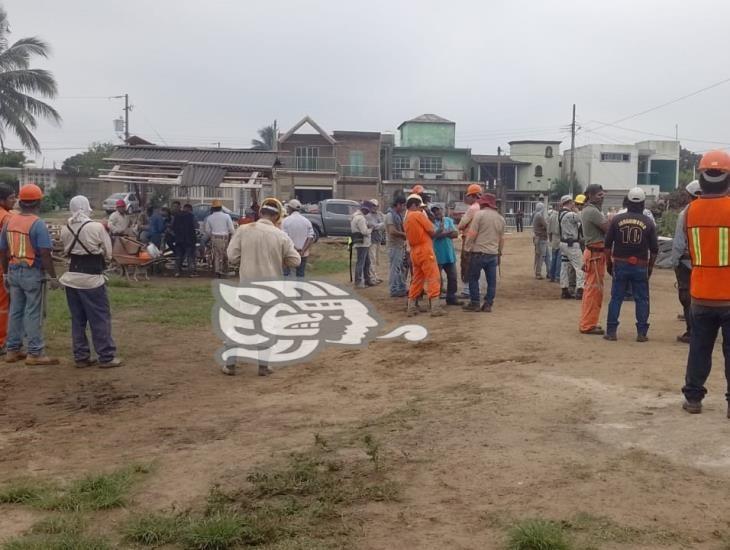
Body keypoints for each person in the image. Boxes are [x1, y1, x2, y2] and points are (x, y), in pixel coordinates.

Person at [225, 198, 300, 377]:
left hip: (247, 288)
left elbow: (232, 257)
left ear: (260, 214)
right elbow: (295, 260)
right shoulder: (280, 235)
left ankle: (230, 365)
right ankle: (263, 366)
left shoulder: (243, 231)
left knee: (239, 325)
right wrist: (280, 260)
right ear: (277, 216)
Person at [680, 151, 730, 415]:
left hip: (700, 293)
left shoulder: (690, 212)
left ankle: (693, 398)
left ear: (701, 177)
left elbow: (686, 248)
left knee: (699, 349)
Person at [0, 184, 59, 365]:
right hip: (32, 271)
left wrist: (5, 274)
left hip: (13, 269)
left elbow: (3, 250)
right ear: (38, 201)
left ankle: (12, 350)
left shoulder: (10, 221)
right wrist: (53, 276)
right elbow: (45, 253)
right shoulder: (37, 224)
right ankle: (35, 352)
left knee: (16, 311)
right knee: (34, 312)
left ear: (21, 201)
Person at [59, 195, 121, 368]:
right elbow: (108, 253)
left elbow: (66, 252)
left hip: (71, 278)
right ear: (87, 207)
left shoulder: (65, 228)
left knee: (78, 319)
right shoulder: (96, 227)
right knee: (100, 318)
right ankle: (106, 356)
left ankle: (81, 356)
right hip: (92, 279)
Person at [603, 188, 658, 342]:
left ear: (627, 201)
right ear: (642, 203)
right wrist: (650, 267)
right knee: (642, 299)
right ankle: (641, 333)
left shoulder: (616, 220)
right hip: (640, 265)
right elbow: (654, 250)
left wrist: (609, 263)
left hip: (620, 263)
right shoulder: (648, 223)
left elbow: (607, 246)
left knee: (616, 298)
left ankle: (611, 331)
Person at [670, 180, 702, 344]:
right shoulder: (715, 211)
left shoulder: (686, 214)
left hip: (686, 262)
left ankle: (692, 331)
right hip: (708, 264)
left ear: (690, 196)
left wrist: (675, 261)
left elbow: (679, 242)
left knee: (687, 296)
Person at [463, 193, 505, 313]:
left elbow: (472, 233)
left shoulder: (479, 215)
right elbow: (501, 239)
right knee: (491, 281)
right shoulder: (500, 218)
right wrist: (499, 253)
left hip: (478, 253)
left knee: (473, 278)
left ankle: (475, 303)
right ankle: (488, 304)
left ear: (485, 203)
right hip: (493, 254)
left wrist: (467, 248)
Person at [404, 194, 443, 317]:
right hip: (425, 250)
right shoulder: (418, 215)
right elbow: (431, 230)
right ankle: (435, 308)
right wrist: (440, 229)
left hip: (414, 251)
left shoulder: (406, 218)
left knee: (417, 279)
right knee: (433, 276)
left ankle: (411, 307)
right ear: (413, 205)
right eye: (420, 207)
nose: (422, 209)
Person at [579, 184, 610, 335]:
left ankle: (589, 322)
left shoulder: (590, 210)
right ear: (590, 196)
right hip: (595, 255)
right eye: (599, 195)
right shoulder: (593, 212)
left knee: (592, 289)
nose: (602, 197)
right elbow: (608, 229)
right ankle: (588, 324)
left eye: (602, 194)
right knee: (594, 290)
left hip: (594, 254)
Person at [431, 205, 462, 306]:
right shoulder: (430, 222)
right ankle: (435, 300)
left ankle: (451, 297)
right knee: (437, 279)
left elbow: (455, 234)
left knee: (452, 277)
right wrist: (447, 233)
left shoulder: (448, 220)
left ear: (442, 210)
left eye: (438, 210)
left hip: (449, 254)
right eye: (434, 211)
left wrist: (442, 233)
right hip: (437, 255)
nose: (437, 213)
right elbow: (435, 235)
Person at [458, 184, 483, 297]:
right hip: (479, 241)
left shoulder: (473, 208)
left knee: (466, 265)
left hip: (468, 240)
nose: (467, 198)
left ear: (473, 196)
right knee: (477, 266)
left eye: (468, 196)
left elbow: (461, 224)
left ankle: (467, 290)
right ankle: (477, 289)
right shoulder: (482, 208)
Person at [558, 195, 585, 300]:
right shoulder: (570, 214)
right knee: (580, 267)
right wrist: (577, 210)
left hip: (563, 243)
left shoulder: (560, 214)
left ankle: (564, 290)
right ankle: (580, 290)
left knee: (564, 266)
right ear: (569, 202)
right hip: (572, 244)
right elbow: (581, 218)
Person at [0, 185, 16, 355]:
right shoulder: (6, 218)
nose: (14, 200)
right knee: (4, 304)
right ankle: (2, 341)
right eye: (11, 197)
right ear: (2, 200)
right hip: (2, 265)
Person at [282, 199, 314, 278]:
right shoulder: (306, 221)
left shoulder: (285, 221)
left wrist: (295, 249)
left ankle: (288, 290)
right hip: (303, 254)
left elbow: (285, 238)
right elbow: (310, 237)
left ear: (290, 208)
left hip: (289, 253)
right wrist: (302, 250)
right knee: (300, 274)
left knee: (287, 274)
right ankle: (300, 290)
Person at [204, 199, 235, 278]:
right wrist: (232, 237)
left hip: (214, 238)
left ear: (213, 208)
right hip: (225, 238)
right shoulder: (226, 216)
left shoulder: (209, 218)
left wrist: (212, 236)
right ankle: (225, 270)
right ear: (221, 208)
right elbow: (231, 229)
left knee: (216, 255)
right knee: (225, 255)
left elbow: (207, 230)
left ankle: (217, 272)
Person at [385, 194, 408, 297]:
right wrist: (404, 235)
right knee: (395, 269)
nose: (403, 208)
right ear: (398, 204)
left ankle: (400, 287)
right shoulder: (390, 215)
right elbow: (392, 231)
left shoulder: (397, 215)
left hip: (399, 245)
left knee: (399, 268)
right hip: (394, 246)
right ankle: (394, 289)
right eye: (403, 205)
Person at [350, 201, 375, 288]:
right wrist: (371, 229)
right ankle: (359, 282)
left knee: (366, 262)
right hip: (363, 243)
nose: (369, 212)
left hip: (361, 242)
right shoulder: (361, 218)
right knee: (361, 263)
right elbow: (364, 232)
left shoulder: (355, 216)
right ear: (365, 209)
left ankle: (367, 280)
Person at [172, 203, 197, 278]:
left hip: (179, 239)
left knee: (178, 256)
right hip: (189, 239)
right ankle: (190, 273)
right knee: (189, 256)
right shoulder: (191, 216)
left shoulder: (176, 216)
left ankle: (177, 272)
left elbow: (173, 226)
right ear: (190, 209)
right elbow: (195, 226)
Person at [366, 199, 385, 284]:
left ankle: (375, 276)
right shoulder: (368, 215)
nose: (374, 207)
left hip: (378, 239)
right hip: (371, 240)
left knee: (377, 259)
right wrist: (381, 225)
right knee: (372, 259)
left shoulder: (380, 214)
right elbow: (374, 226)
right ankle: (372, 277)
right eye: (373, 205)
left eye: (376, 205)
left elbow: (383, 225)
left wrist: (380, 225)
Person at [532, 203, 550, 279]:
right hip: (541, 239)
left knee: (547, 257)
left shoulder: (536, 214)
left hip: (542, 238)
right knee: (541, 256)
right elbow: (546, 226)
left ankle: (549, 272)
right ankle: (538, 273)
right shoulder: (539, 216)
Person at [547, 205, 561, 283]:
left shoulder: (551, 216)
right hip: (560, 238)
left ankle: (552, 276)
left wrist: (550, 239)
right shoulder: (561, 216)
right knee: (559, 259)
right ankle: (557, 276)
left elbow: (548, 230)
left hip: (553, 238)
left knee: (553, 258)